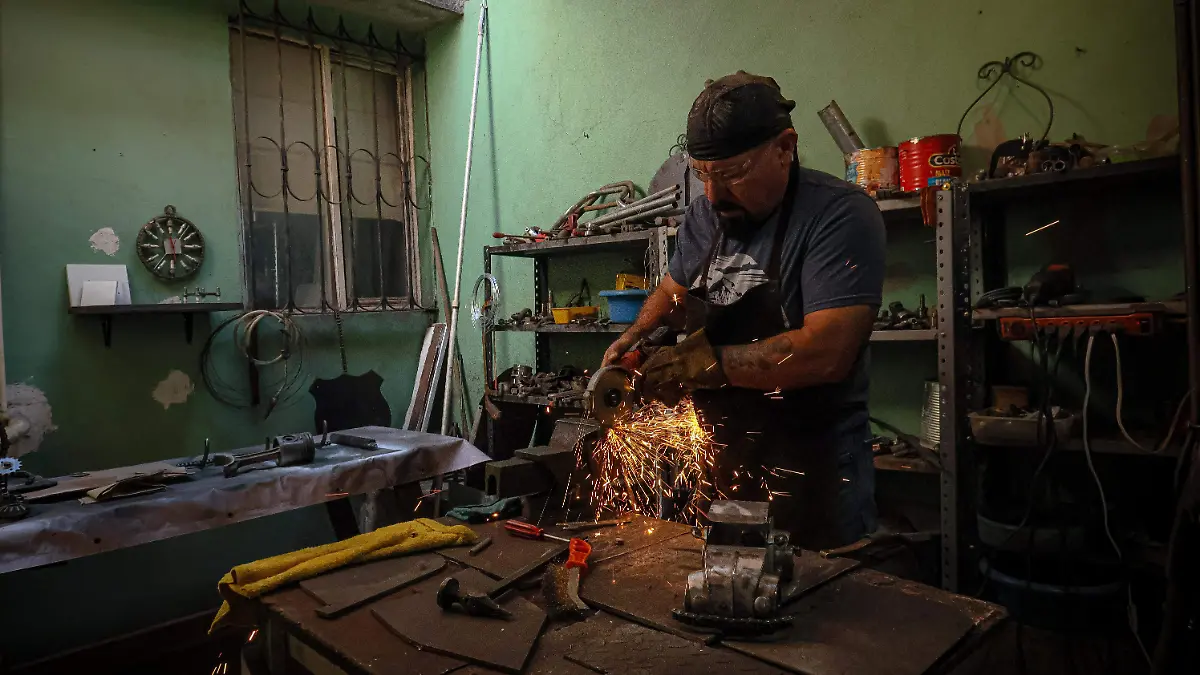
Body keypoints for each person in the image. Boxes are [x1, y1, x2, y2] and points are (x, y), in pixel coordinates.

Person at [602, 71, 886, 549]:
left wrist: (698, 365)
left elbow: (827, 351)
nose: (714, 195)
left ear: (785, 147)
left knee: (816, 593)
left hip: (810, 473)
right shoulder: (703, 216)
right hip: (721, 462)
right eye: (704, 175)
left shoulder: (840, 215)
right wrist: (636, 335)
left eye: (732, 174)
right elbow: (672, 291)